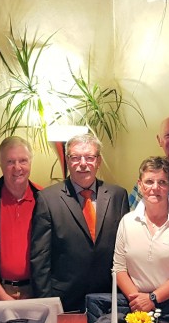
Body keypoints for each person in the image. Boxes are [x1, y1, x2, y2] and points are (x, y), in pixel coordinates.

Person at [31, 133, 130, 312]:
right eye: (75, 157)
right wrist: (46, 305)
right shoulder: (48, 199)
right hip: (65, 300)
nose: (83, 163)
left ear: (98, 161)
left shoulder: (118, 196)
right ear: (68, 161)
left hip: (108, 299)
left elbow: (126, 250)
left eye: (89, 157)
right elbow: (40, 259)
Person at [114, 156, 169, 323]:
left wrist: (153, 298)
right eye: (149, 182)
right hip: (138, 313)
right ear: (140, 185)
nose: (155, 188)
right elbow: (118, 268)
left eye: (162, 182)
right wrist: (139, 303)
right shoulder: (127, 221)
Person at [0, 136, 42, 300]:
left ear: (31, 163)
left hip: (37, 292)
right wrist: (0, 294)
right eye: (10, 162)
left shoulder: (45, 199)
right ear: (1, 165)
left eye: (23, 161)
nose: (17, 167)